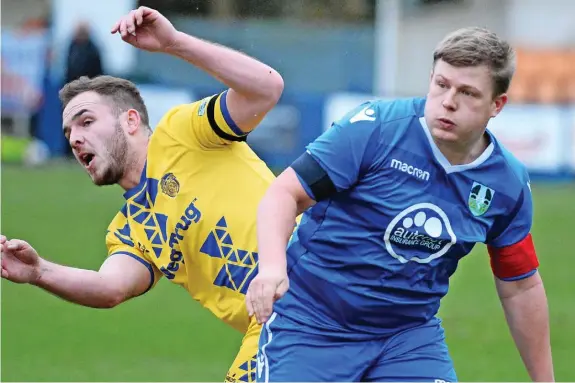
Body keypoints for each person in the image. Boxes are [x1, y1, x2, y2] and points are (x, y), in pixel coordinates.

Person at [246, 27, 554, 382]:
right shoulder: (374, 130)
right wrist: (271, 268)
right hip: (313, 323)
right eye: (442, 84)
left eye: (468, 93)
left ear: (496, 105)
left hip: (407, 338)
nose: (448, 101)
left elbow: (521, 285)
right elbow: (284, 194)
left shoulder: (506, 184)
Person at [0, 6, 284, 383]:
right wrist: (38, 272)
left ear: (131, 120)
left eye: (86, 121)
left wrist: (175, 43)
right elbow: (109, 288)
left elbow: (267, 88)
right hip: (272, 324)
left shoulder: (183, 132)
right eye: (69, 133)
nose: (75, 138)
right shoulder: (129, 229)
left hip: (313, 276)